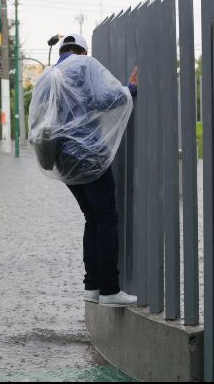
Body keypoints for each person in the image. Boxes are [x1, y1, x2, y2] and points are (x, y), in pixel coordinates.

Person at [30, 33, 138, 307]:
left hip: (62, 159)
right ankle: (110, 290)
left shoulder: (47, 76)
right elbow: (105, 99)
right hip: (89, 154)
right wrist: (129, 89)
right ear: (81, 50)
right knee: (107, 218)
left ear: (62, 51)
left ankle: (92, 285)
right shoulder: (85, 65)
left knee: (92, 218)